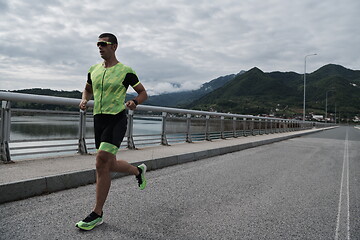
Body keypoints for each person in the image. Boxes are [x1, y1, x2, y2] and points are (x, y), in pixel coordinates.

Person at [75, 33, 148, 231]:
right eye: (98, 44)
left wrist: (134, 102)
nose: (100, 47)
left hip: (116, 118)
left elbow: (143, 92)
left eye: (103, 44)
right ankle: (137, 170)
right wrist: (84, 99)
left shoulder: (125, 71)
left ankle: (97, 213)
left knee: (101, 162)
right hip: (99, 119)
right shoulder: (93, 70)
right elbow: (87, 89)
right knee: (109, 163)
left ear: (114, 46)